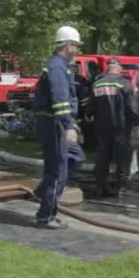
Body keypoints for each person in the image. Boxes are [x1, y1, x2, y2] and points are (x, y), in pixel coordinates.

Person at [33, 26, 86, 229]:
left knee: (76, 157)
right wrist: (68, 125)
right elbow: (60, 100)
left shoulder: (61, 65)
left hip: (58, 121)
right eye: (76, 46)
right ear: (68, 45)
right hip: (54, 122)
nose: (77, 49)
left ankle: (43, 192)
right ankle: (45, 215)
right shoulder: (57, 66)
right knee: (58, 171)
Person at [87, 58, 136, 198]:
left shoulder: (97, 83)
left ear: (108, 68)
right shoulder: (124, 83)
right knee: (123, 157)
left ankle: (99, 185)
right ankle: (121, 188)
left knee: (103, 155)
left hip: (101, 127)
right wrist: (137, 120)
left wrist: (89, 116)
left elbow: (90, 108)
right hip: (121, 127)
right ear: (119, 68)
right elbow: (130, 107)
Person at [71, 62, 94, 149]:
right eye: (75, 67)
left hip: (77, 107)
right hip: (75, 107)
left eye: (78, 67)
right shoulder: (77, 79)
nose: (77, 69)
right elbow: (83, 96)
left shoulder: (82, 79)